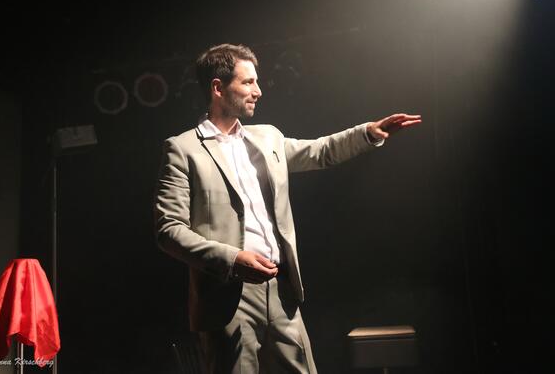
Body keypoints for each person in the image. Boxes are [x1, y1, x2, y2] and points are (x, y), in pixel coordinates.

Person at [155, 43, 421, 373]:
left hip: (281, 291)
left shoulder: (267, 138)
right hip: (227, 297)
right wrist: (232, 259)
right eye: (248, 82)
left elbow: (320, 151)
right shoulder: (183, 149)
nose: (258, 91)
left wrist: (368, 133)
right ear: (218, 88)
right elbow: (169, 230)